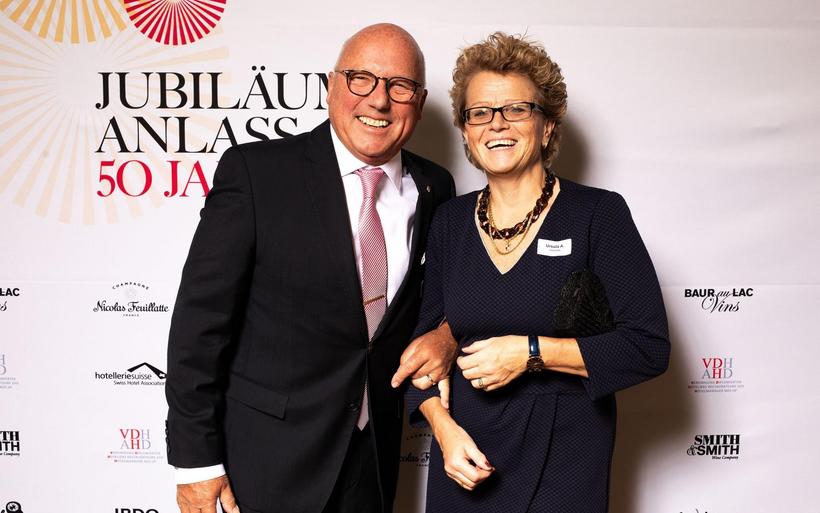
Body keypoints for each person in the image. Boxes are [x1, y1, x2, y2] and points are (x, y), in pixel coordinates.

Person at [165, 23, 457, 513]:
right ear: (331, 86)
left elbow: (440, 298)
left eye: (400, 86)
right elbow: (199, 326)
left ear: (420, 102)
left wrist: (447, 335)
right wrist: (196, 464)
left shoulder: (435, 187)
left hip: (373, 464)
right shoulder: (258, 174)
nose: (379, 100)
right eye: (361, 79)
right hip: (266, 464)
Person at [408, 32, 670, 512]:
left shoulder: (597, 215)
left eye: (516, 109)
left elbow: (646, 347)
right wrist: (444, 434)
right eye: (480, 113)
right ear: (465, 131)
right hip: (466, 461)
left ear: (547, 126)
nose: (496, 123)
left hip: (564, 466)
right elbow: (420, 357)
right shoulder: (449, 222)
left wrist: (530, 353)